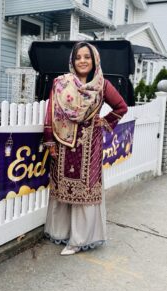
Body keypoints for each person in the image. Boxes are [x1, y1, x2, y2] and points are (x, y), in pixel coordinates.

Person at [43, 41, 128, 255]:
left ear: (94, 60)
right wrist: (50, 141)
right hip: (63, 144)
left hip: (90, 144)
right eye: (78, 57)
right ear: (72, 60)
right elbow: (50, 113)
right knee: (62, 187)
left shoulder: (102, 85)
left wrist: (105, 121)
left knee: (85, 190)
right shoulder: (60, 84)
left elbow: (121, 107)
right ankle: (61, 232)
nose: (82, 60)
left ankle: (79, 240)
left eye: (87, 57)